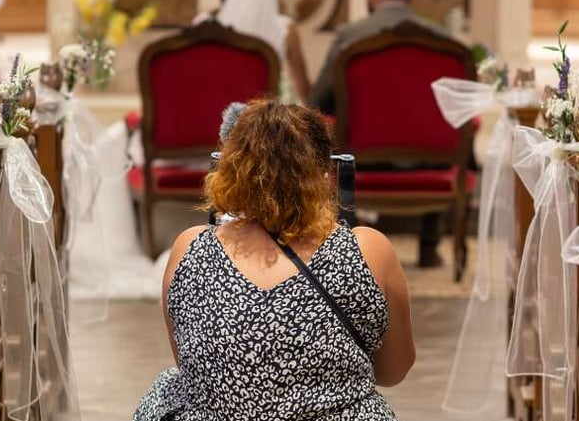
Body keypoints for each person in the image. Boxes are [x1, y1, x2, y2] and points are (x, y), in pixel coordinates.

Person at [135, 98, 415, 421]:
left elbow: (192, 367)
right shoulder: (367, 250)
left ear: (230, 171)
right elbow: (395, 370)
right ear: (324, 174)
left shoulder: (190, 248)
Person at [310, 0, 459, 268]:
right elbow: (456, 108)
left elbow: (319, 100)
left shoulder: (351, 38)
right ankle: (429, 246)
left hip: (363, 160)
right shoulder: (442, 41)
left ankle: (349, 246)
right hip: (430, 160)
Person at [311, 0, 449, 115]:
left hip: (360, 138)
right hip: (429, 138)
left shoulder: (349, 36)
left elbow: (318, 103)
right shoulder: (442, 38)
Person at [205, 0, 311, 103]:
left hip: (214, 120)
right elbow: (306, 94)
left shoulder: (204, 25)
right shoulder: (286, 30)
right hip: (263, 124)